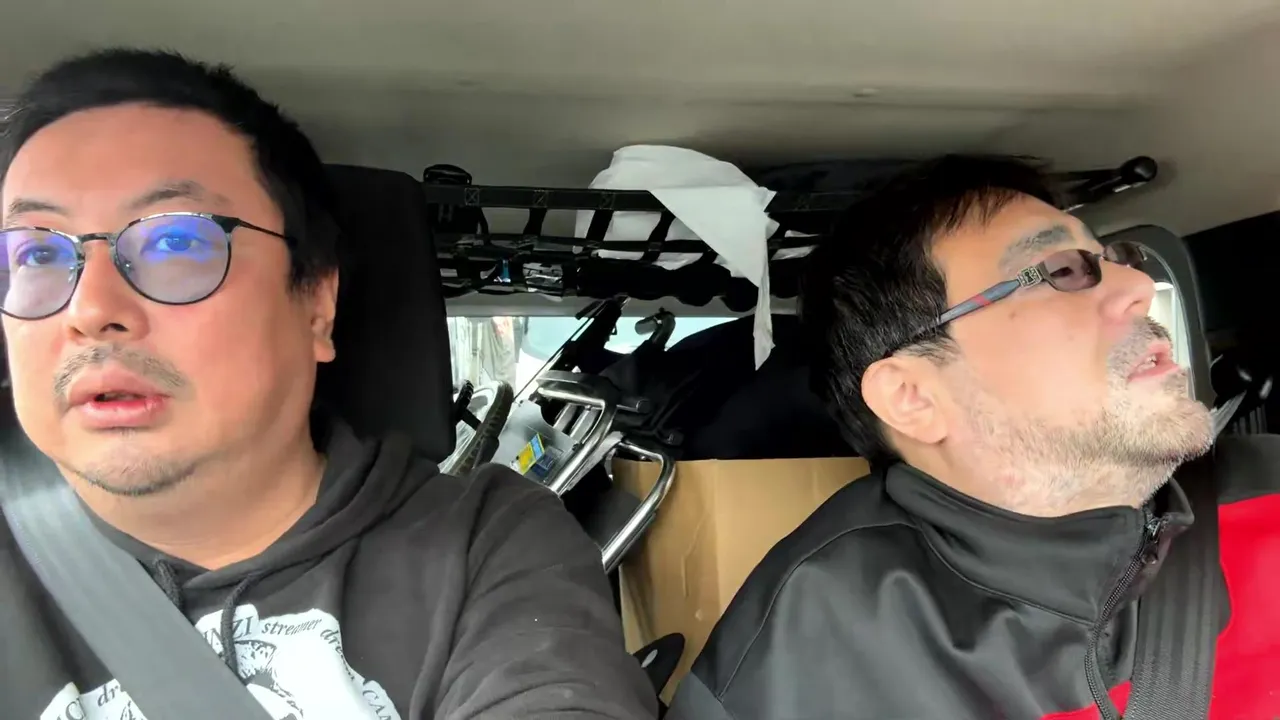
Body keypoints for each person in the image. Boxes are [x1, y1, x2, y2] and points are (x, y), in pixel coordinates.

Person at [0, 49, 656, 720]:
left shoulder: (486, 550)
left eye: (176, 244)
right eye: (36, 253)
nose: (89, 308)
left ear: (316, 303)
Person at [667, 155, 1280, 719]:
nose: (1137, 287)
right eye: (1063, 270)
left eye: (1116, 257)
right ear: (913, 397)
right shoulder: (806, 654)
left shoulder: (1267, 492)